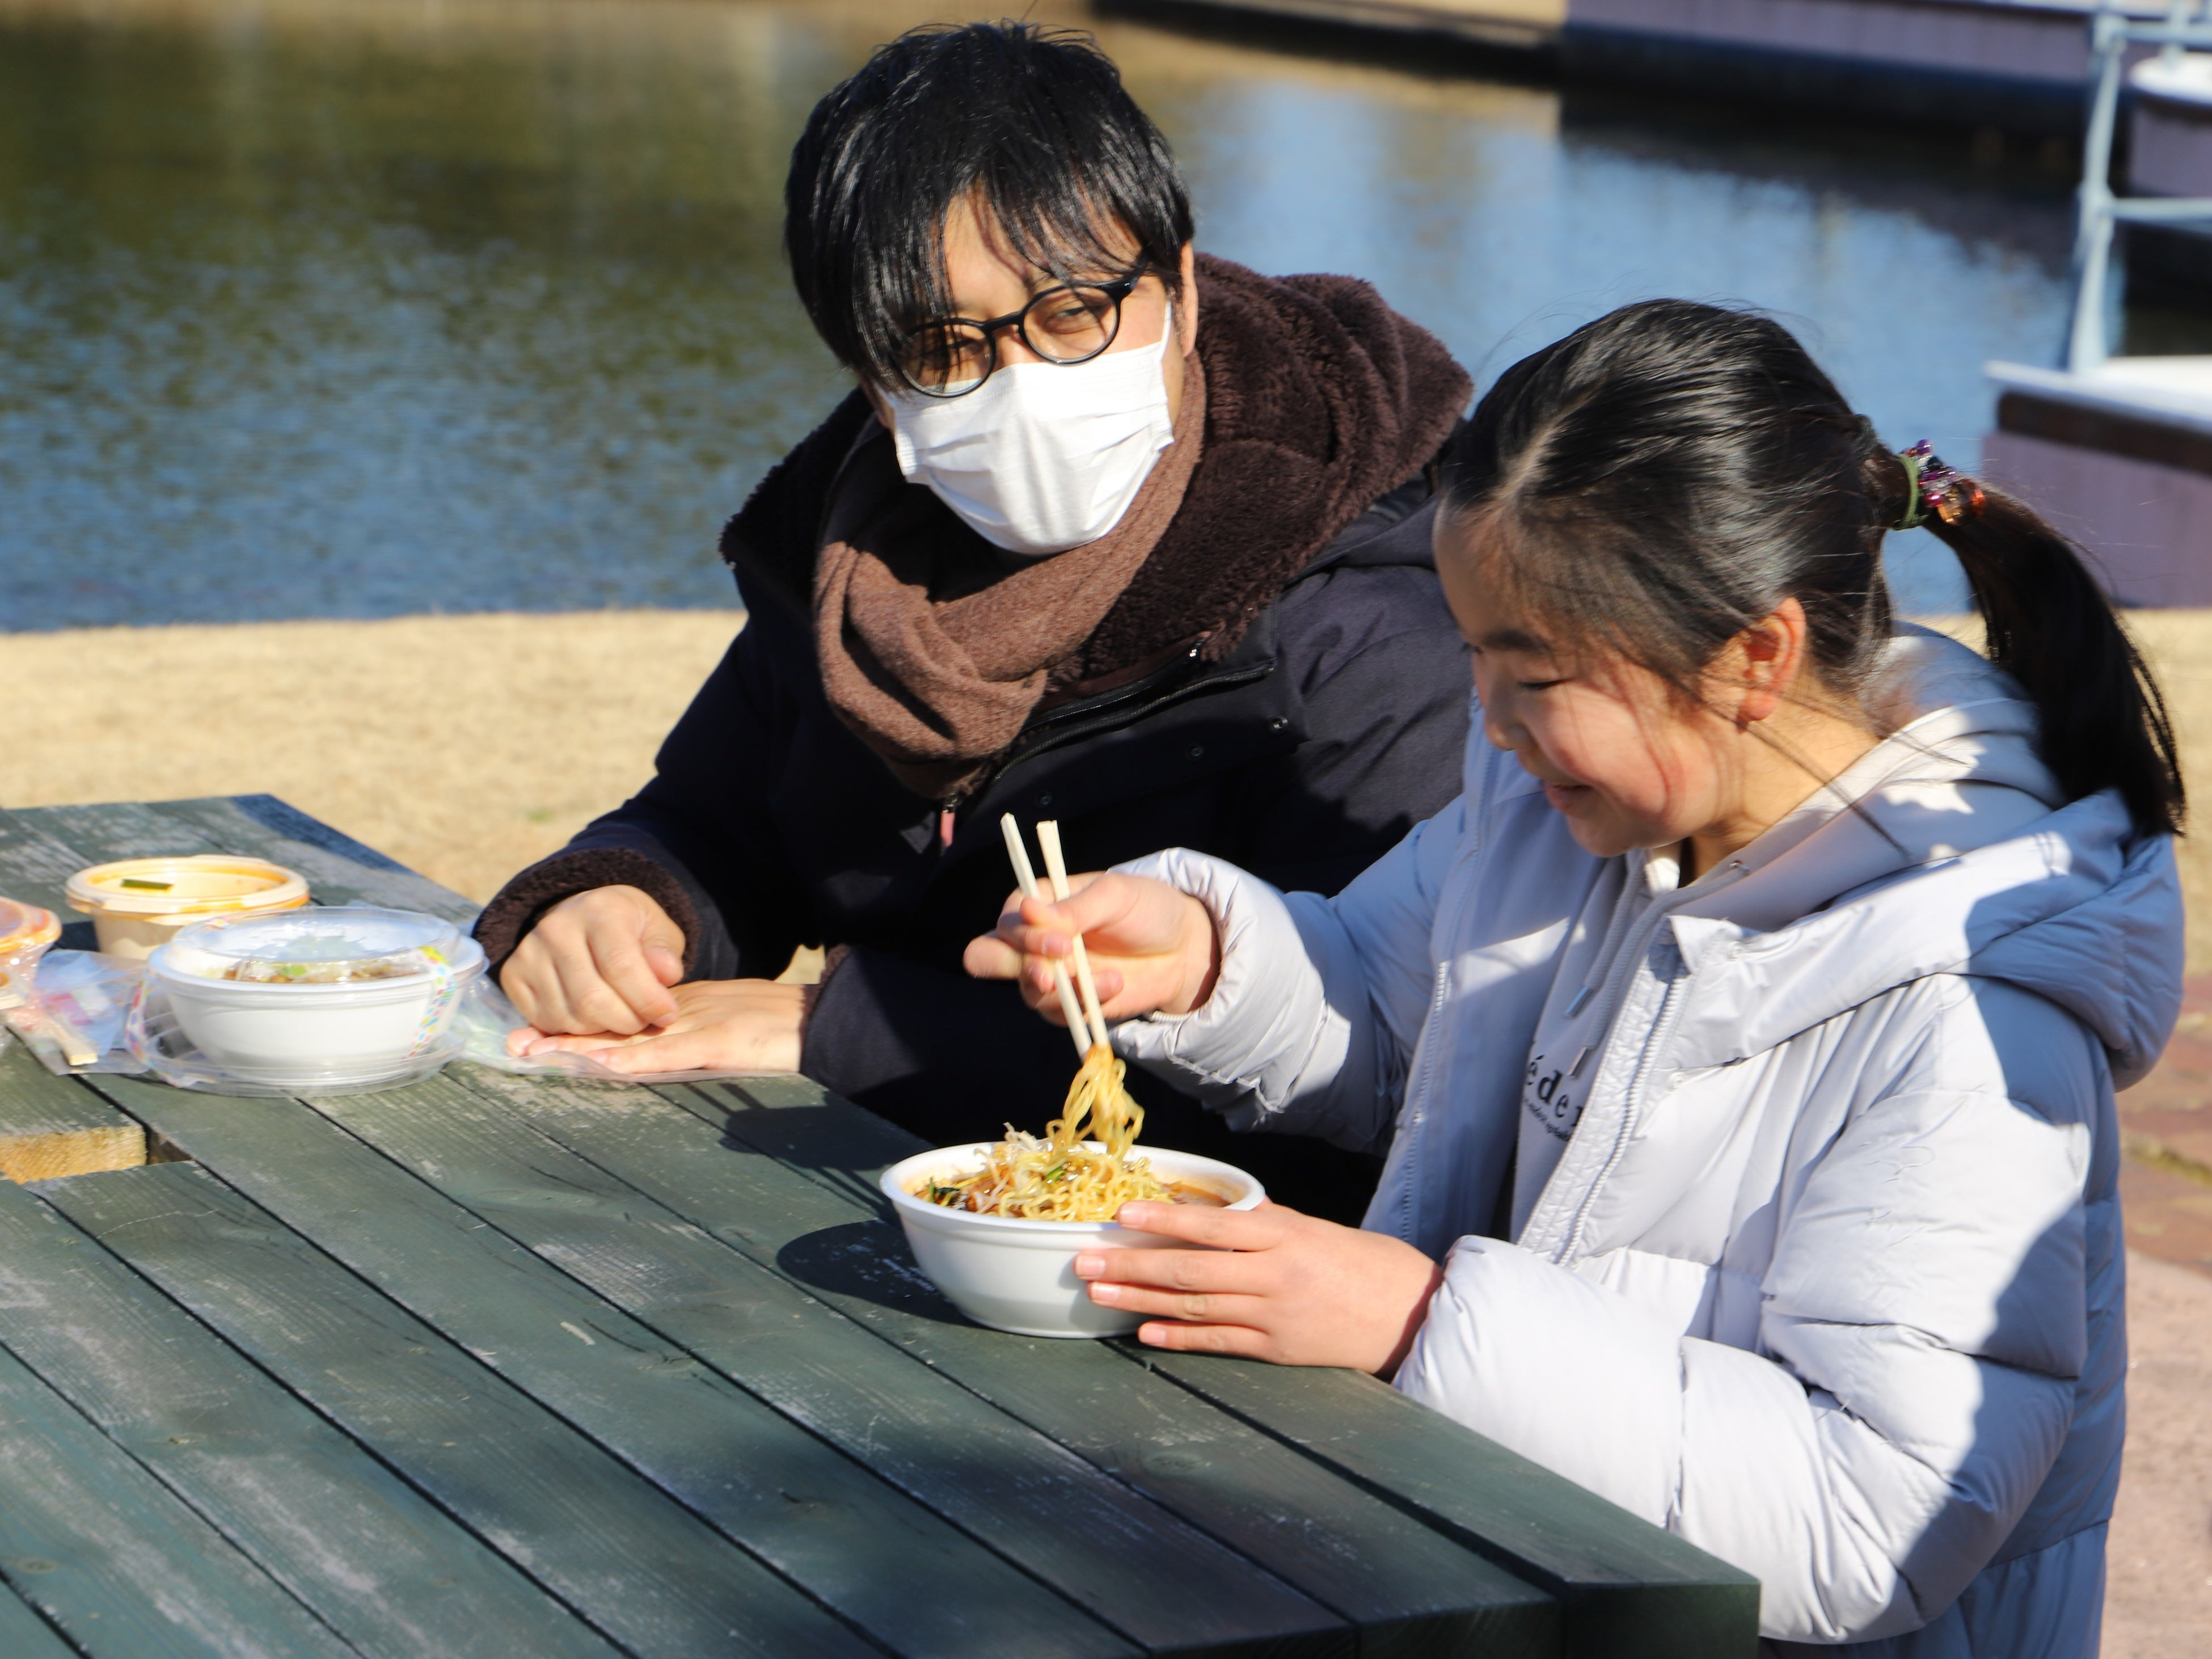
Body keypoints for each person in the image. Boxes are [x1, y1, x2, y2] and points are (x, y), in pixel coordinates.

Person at [968, 300, 2183, 1655]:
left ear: (1753, 659)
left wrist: (1419, 1320)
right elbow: (1386, 1002)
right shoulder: (1568, 803)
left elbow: (1868, 1519)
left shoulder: (1969, 1001)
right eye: (1472, 648)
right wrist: (1206, 959)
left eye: (1530, 669)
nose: (1482, 717)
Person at [469, 22, 1475, 1220]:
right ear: (870, 381)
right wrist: (626, 899)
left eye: (1071, 314)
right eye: (943, 349)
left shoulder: (1368, 635)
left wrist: (838, 1026)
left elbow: (1352, 1101)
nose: (1021, 383)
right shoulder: (851, 569)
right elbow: (716, 820)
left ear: (1181, 287)